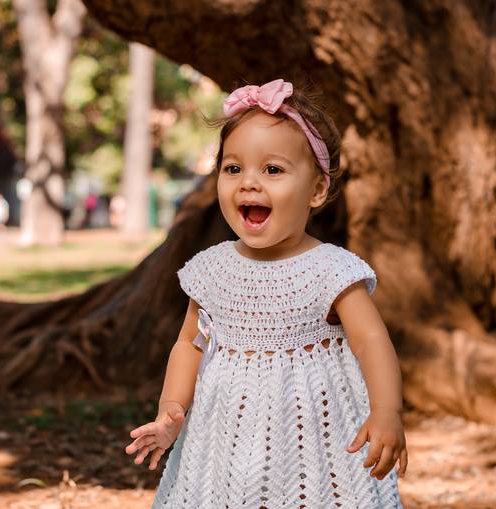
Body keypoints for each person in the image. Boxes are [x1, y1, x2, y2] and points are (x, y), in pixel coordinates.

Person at [124, 79, 407, 507]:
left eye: (272, 170)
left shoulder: (331, 270)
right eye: (233, 168)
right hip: (225, 437)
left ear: (316, 190)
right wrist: (171, 409)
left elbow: (371, 342)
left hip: (313, 438)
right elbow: (190, 343)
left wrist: (387, 411)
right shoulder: (211, 269)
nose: (249, 183)